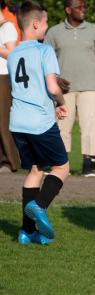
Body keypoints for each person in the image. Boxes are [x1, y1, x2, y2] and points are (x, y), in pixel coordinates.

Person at [7, 1, 69, 245]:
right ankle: (40, 205)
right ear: (35, 23)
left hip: (17, 122)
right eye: (45, 22)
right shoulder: (44, 50)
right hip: (40, 122)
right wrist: (61, 102)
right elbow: (53, 88)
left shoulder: (13, 54)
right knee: (62, 168)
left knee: (35, 170)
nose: (46, 27)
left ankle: (26, 231)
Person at [45, 0, 95, 177]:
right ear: (68, 10)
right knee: (62, 126)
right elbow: (46, 59)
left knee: (89, 126)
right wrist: (55, 79)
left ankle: (87, 165)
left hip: (90, 86)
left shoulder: (94, 30)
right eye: (79, 7)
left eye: (85, 7)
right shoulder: (54, 32)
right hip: (63, 90)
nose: (83, 10)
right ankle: (61, 164)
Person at [0, 4, 19, 173]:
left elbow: (12, 54)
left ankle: (10, 161)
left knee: (3, 121)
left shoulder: (7, 26)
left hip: (3, 77)